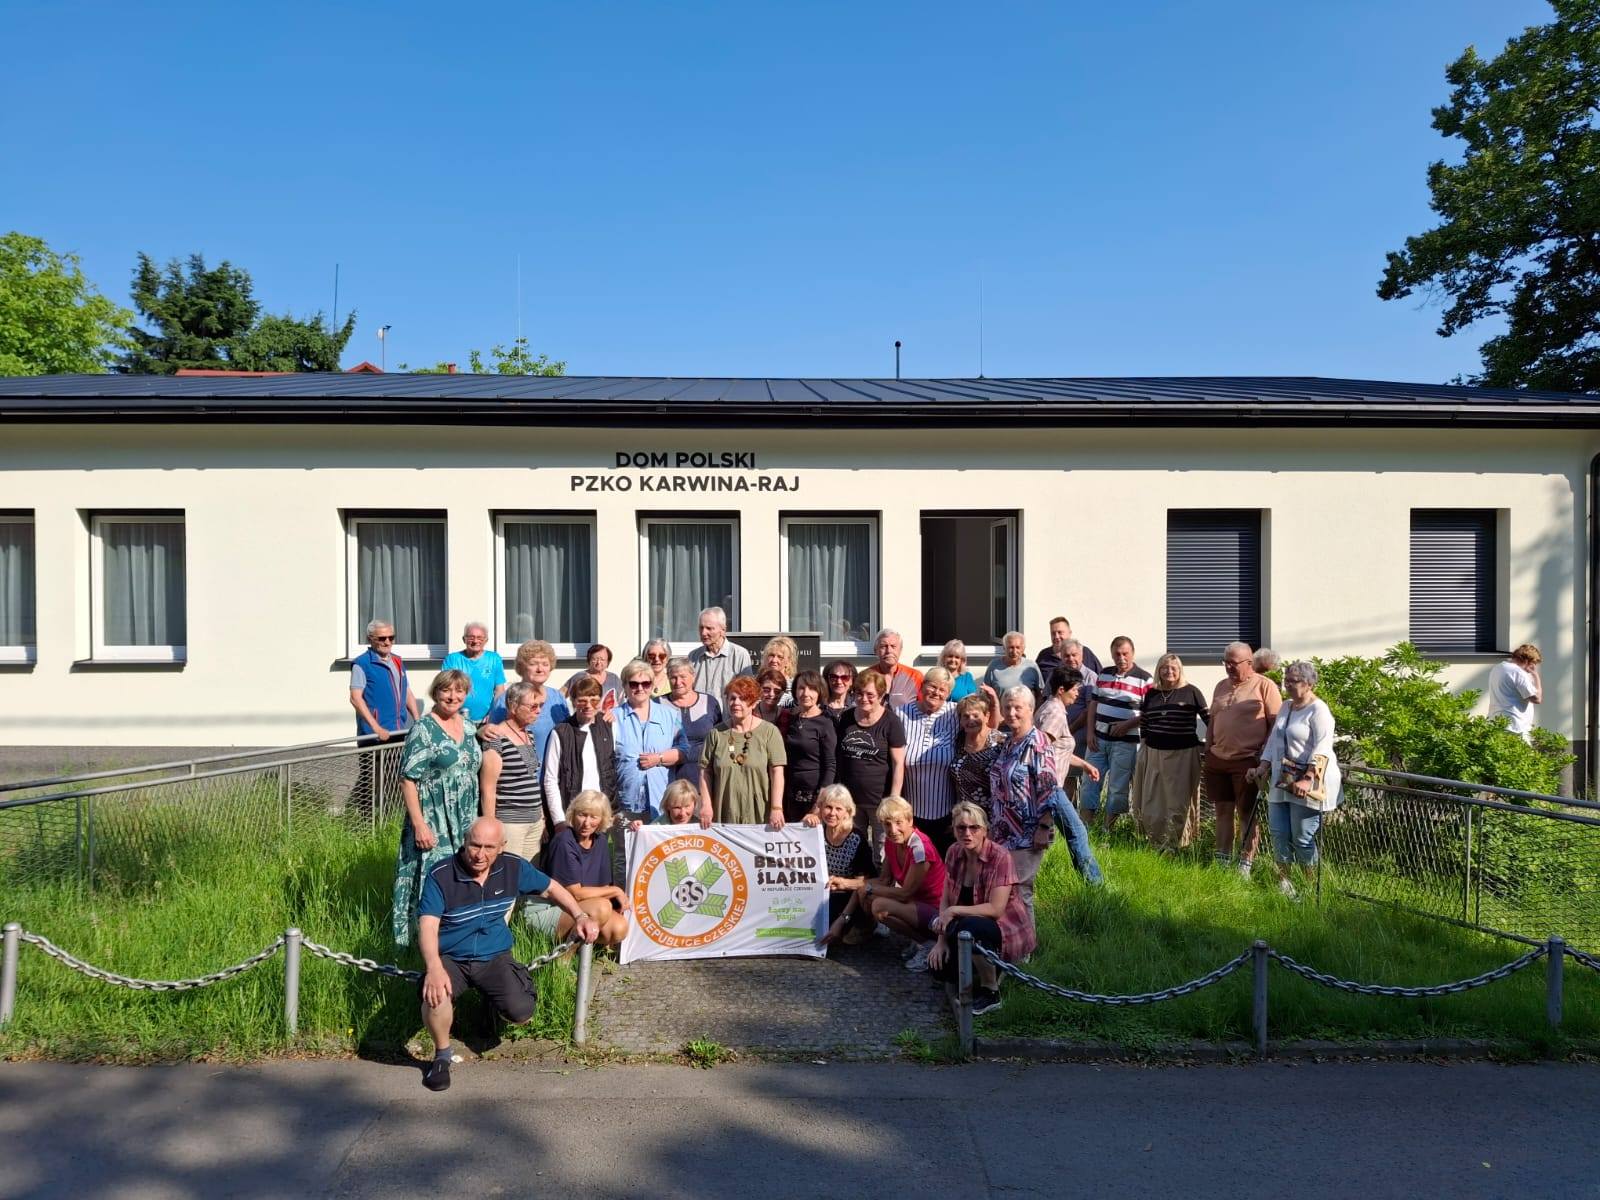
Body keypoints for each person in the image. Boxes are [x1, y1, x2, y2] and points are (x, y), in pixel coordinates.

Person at [416, 816, 598, 1092]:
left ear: (501, 847)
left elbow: (552, 888)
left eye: (489, 847)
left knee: (522, 1012)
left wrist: (580, 915)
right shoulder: (441, 875)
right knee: (436, 994)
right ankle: (441, 1055)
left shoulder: (513, 867)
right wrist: (433, 966)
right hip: (452, 956)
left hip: (494, 955)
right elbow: (428, 925)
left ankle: (491, 1006)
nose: (480, 854)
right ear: (464, 843)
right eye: (474, 845)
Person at [990, 685, 1103, 910]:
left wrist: (1044, 826)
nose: (1012, 712)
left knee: (1021, 893)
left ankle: (1027, 944)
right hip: (1004, 831)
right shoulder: (1009, 743)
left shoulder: (1037, 742)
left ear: (1031, 709)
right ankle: (1010, 942)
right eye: (1007, 707)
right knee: (1006, 893)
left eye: (1018, 708)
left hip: (1027, 833)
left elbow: (1050, 789)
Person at [391, 670, 481, 946]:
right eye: (446, 691)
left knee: (463, 878)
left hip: (465, 818)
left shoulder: (468, 726)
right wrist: (419, 824)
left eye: (459, 691)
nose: (453, 697)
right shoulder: (423, 729)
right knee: (432, 881)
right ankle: (420, 945)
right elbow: (407, 780)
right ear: (436, 693)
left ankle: (457, 941)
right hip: (434, 818)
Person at [925, 802, 1035, 1016]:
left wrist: (954, 912)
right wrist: (940, 941)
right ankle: (985, 965)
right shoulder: (954, 852)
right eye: (961, 828)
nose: (967, 833)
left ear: (985, 830)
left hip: (1004, 927)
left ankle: (991, 991)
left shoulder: (1000, 857)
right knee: (939, 969)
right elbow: (945, 898)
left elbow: (996, 909)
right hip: (965, 925)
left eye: (974, 828)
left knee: (969, 927)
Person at [1250, 661, 1342, 898]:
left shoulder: (1319, 710)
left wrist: (1308, 778)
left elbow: (1322, 747)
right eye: (1286, 680)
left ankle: (1311, 890)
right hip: (1283, 779)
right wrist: (1263, 765)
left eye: (1294, 680)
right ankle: (1284, 885)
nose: (1288, 684)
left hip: (1308, 783)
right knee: (1279, 833)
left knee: (1302, 837)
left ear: (1310, 683)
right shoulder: (1286, 707)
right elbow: (1274, 740)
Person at [1205, 641, 1283, 876]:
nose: (1228, 666)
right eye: (1225, 661)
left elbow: (1275, 724)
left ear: (1249, 663)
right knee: (1222, 810)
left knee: (1247, 813)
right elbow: (1213, 720)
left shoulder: (1265, 686)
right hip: (1218, 759)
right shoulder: (1221, 686)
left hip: (1248, 760)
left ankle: (1245, 864)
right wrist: (1208, 747)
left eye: (1233, 662)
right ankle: (1222, 859)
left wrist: (1263, 757)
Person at [1130, 654, 1209, 852]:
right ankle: (1156, 843)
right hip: (1154, 752)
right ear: (1159, 670)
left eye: (1174, 667)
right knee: (1152, 802)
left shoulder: (1192, 692)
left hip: (1183, 754)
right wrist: (1144, 751)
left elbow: (1210, 721)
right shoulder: (1151, 694)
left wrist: (1213, 743)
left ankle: (1176, 846)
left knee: (1177, 803)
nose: (1169, 671)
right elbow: (1145, 724)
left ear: (1180, 670)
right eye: (1165, 667)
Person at [533, 790, 630, 945]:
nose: (586, 823)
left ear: (602, 819)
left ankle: (582, 952)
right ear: (573, 814)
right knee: (602, 907)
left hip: (584, 907)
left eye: (593, 817)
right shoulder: (564, 841)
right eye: (582, 815)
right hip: (550, 909)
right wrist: (616, 890)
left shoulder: (601, 841)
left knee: (619, 927)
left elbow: (603, 885)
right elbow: (575, 893)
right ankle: (564, 959)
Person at [865, 795, 948, 971]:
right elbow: (885, 880)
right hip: (916, 903)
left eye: (898, 822)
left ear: (910, 820)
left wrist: (868, 888)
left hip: (937, 909)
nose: (893, 829)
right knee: (865, 895)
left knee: (879, 905)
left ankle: (927, 944)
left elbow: (905, 893)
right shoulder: (891, 841)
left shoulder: (920, 848)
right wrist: (858, 887)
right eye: (887, 824)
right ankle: (917, 939)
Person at [1080, 636, 1152, 831]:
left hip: (1125, 742)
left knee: (1117, 787)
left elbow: (1149, 712)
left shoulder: (1144, 678)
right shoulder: (1104, 674)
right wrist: (1090, 733)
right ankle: (1086, 828)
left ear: (1133, 653)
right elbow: (1093, 704)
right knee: (1089, 782)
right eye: (1117, 654)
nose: (1121, 658)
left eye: (1125, 654)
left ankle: (1107, 831)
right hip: (1098, 740)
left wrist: (1128, 724)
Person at [349, 618, 420, 815]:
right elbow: (356, 698)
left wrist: (417, 718)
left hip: (399, 731)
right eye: (382, 638)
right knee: (372, 781)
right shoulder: (362, 664)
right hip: (374, 735)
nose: (387, 642)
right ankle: (367, 824)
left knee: (398, 779)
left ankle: (392, 819)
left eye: (391, 637)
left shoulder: (397, 660)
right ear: (370, 639)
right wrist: (375, 727)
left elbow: (406, 691)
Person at [698, 675, 787, 826]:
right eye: (732, 698)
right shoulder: (716, 733)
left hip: (759, 814)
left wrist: (776, 807)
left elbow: (777, 772)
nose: (736, 703)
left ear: (754, 703)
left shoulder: (769, 732)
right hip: (724, 813)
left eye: (743, 698)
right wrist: (706, 805)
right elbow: (704, 771)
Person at [835, 668, 907, 855]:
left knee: (882, 851)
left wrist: (893, 799)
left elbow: (899, 763)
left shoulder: (891, 722)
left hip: (879, 801)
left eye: (870, 694)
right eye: (859, 693)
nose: (863, 698)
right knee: (853, 850)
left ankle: (882, 884)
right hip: (850, 801)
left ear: (881, 696)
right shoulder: (846, 718)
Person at [478, 682, 548, 865]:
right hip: (511, 823)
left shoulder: (528, 735)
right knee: (508, 876)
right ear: (513, 706)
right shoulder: (496, 738)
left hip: (534, 822)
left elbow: (531, 778)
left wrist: (541, 816)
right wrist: (491, 827)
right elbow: (488, 788)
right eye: (533, 706)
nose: (538, 711)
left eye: (540, 705)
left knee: (528, 878)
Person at [613, 658, 689, 825]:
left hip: (661, 799)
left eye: (645, 683)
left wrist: (659, 758)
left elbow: (684, 750)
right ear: (625, 686)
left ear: (652, 685)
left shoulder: (670, 715)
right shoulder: (613, 718)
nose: (640, 688)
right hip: (626, 801)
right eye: (633, 684)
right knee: (625, 850)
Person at [803, 784, 876, 947]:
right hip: (821, 895)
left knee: (843, 939)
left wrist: (842, 920)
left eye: (838, 809)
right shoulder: (816, 832)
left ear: (848, 812)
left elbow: (863, 884)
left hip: (850, 898)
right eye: (828, 807)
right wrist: (803, 825)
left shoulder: (856, 839)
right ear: (820, 808)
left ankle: (864, 924)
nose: (832, 813)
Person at [899, 667, 961, 856]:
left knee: (944, 868)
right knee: (917, 865)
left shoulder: (955, 713)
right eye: (932, 686)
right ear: (923, 685)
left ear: (949, 694)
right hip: (911, 812)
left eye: (943, 690)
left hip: (947, 812)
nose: (936, 692)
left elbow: (986, 725)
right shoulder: (902, 713)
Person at [541, 676, 618, 828]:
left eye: (594, 700)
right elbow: (550, 779)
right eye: (582, 701)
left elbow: (612, 769)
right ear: (574, 701)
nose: (588, 706)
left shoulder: (610, 726)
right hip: (572, 812)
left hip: (601, 811)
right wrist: (559, 820)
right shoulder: (561, 732)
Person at [482, 640, 570, 744]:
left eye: (545, 664)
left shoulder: (557, 697)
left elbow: (569, 731)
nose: (540, 669)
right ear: (522, 667)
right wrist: (481, 731)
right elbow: (492, 736)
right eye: (533, 664)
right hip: (525, 759)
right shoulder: (507, 699)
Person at [782, 669, 838, 822]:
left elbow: (830, 765)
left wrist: (818, 805)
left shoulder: (825, 723)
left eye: (812, 688)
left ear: (820, 692)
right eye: (801, 688)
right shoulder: (791, 719)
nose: (806, 693)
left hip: (814, 797)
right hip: (790, 794)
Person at [1034, 667, 1100, 787]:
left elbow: (1059, 751)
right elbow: (1041, 748)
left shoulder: (1050, 706)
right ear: (1061, 690)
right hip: (1048, 786)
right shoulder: (1055, 714)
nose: (1077, 693)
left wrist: (1085, 765)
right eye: (1074, 689)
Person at [666, 655, 722, 791]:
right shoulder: (657, 704)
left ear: (693, 677)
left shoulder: (710, 703)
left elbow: (719, 740)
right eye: (673, 677)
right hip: (668, 780)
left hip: (704, 779)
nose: (678, 681)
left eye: (683, 676)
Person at [440, 621, 506, 723]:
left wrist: (494, 713)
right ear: (464, 639)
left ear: (486, 640)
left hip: (485, 720)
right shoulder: (452, 659)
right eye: (471, 637)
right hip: (456, 718)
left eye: (480, 638)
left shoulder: (494, 659)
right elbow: (445, 690)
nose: (475, 641)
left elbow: (499, 691)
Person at [689, 606, 752, 698]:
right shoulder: (693, 656)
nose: (703, 633)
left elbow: (747, 691)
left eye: (709, 628)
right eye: (701, 628)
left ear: (723, 630)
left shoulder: (739, 655)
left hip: (727, 712)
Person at [1488, 644, 1543, 742]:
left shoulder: (1498, 668)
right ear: (1528, 660)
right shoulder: (1518, 672)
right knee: (1524, 757)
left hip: (1496, 722)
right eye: (1534, 663)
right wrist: (1536, 676)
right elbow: (1537, 699)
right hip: (1515, 727)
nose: (1533, 667)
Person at [983, 631, 1044, 707]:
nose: (1014, 651)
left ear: (1023, 649)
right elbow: (985, 695)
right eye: (1011, 647)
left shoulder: (1031, 666)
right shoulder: (994, 666)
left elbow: (1040, 694)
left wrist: (1034, 714)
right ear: (1004, 648)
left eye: (1018, 647)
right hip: (1001, 717)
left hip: (1025, 717)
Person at [1036, 617, 1103, 682]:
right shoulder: (1043, 656)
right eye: (1053, 633)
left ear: (1070, 633)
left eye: (1060, 632)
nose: (1056, 637)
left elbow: (1101, 676)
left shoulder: (1085, 652)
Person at [872, 628, 924, 708]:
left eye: (893, 646)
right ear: (876, 650)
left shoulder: (915, 676)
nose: (889, 651)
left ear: (900, 650)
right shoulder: (866, 676)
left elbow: (924, 707)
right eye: (883, 646)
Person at [565, 644, 622, 711]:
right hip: (585, 717)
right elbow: (560, 695)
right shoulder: (579, 677)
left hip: (609, 719)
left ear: (607, 662)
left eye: (602, 659)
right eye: (594, 659)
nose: (598, 662)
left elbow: (621, 701)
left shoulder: (614, 678)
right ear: (589, 660)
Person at [629, 778, 699, 831]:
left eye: (687, 806)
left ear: (694, 804)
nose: (682, 814)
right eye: (677, 807)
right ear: (667, 806)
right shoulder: (658, 826)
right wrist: (639, 828)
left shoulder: (703, 825)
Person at [822, 660, 857, 729]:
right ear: (827, 680)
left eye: (845, 677)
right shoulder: (818, 705)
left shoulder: (858, 705)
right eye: (833, 677)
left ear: (852, 681)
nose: (839, 681)